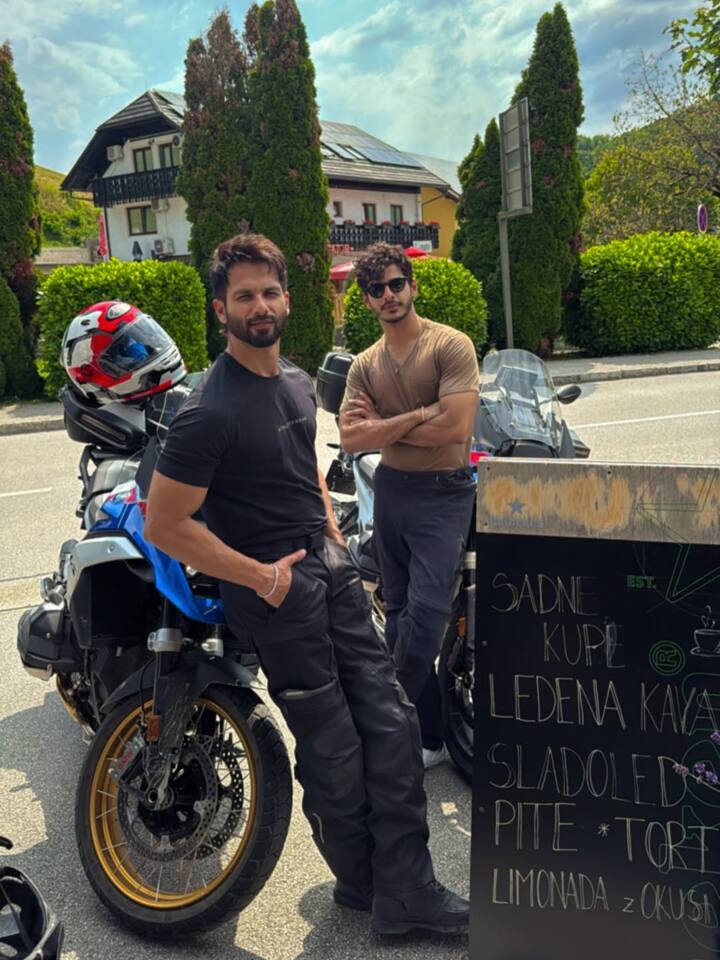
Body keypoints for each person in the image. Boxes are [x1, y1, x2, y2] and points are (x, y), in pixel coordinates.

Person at [143, 233, 469, 936]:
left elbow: (307, 471)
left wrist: (329, 536)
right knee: (333, 750)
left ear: (287, 298)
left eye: (269, 292)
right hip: (275, 597)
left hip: (332, 576)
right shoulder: (208, 409)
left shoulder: (293, 381)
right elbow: (165, 523)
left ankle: (406, 889)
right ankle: (364, 885)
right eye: (243, 296)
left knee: (392, 722)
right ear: (220, 310)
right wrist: (261, 576)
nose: (259, 305)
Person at [339, 243, 479, 769]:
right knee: (396, 615)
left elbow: (457, 426)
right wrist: (417, 416)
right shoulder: (364, 365)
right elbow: (351, 439)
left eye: (397, 284)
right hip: (393, 491)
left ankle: (387, 722)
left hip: (445, 493)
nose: (389, 295)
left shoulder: (450, 346)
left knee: (426, 614)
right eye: (377, 289)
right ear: (368, 301)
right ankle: (431, 739)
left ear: (412, 286)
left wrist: (385, 427)